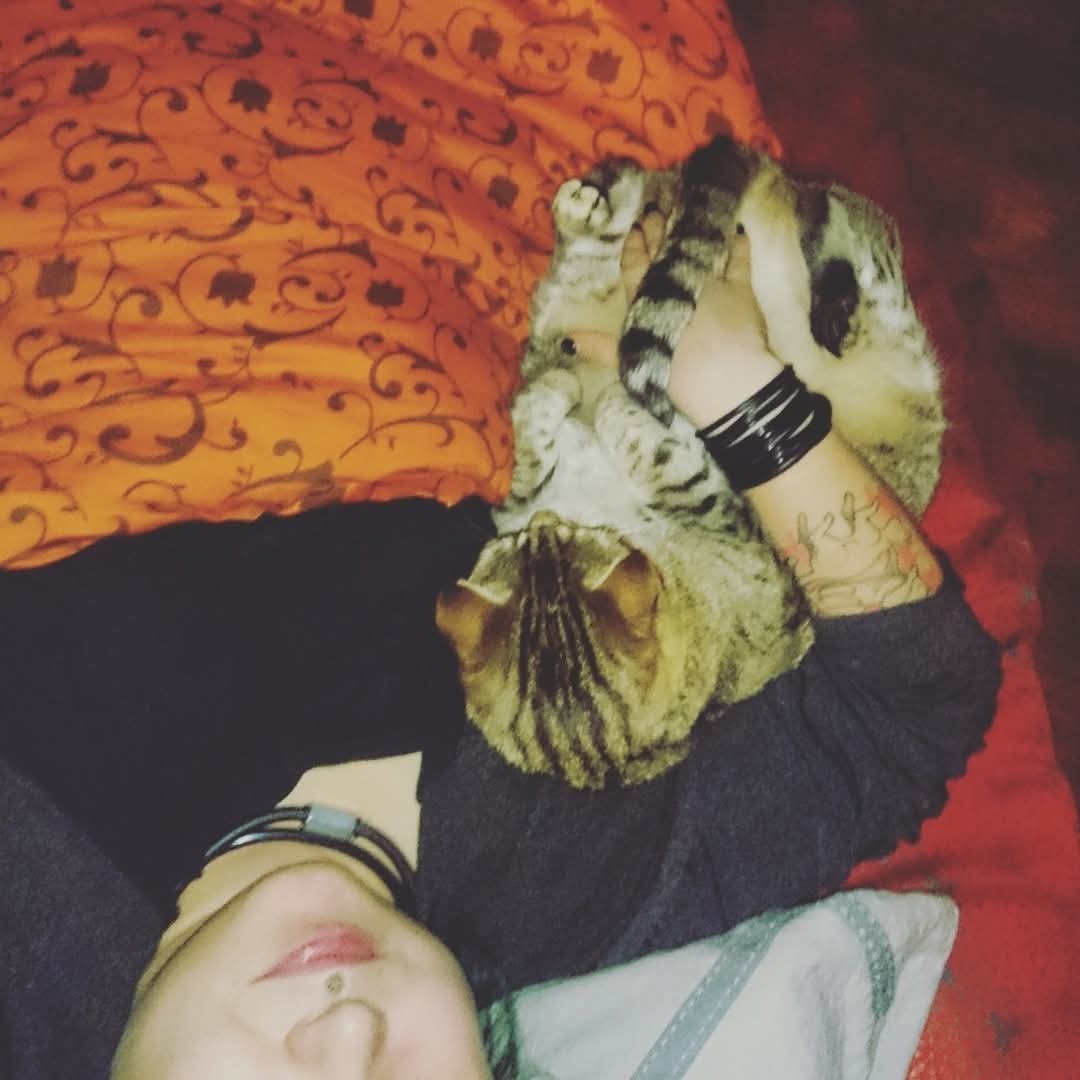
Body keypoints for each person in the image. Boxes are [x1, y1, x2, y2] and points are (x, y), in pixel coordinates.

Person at [111, 216, 1001, 1077]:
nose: (347, 1030)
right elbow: (908, 716)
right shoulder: (571, 899)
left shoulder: (52, 870)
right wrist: (738, 388)